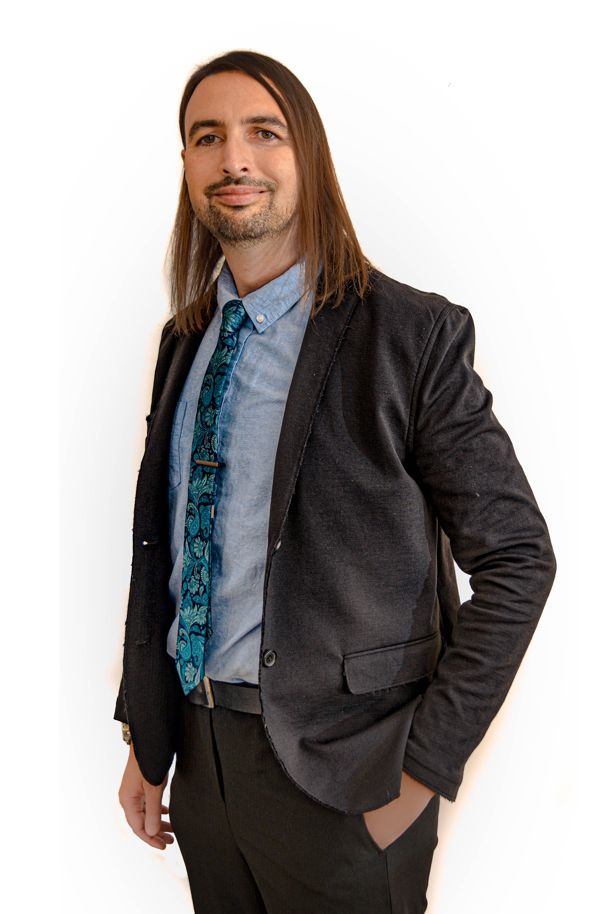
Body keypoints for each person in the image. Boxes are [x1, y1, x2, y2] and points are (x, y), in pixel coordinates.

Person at [114, 49, 557, 914]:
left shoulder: (408, 335)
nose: (234, 159)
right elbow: (167, 551)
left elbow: (517, 558)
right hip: (200, 768)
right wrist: (147, 735)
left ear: (307, 157)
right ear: (186, 165)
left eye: (263, 133)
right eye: (207, 137)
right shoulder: (184, 341)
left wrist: (420, 771)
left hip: (350, 781)